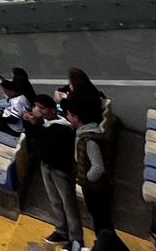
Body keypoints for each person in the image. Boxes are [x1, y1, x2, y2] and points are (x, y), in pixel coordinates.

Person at [23, 95, 81, 247]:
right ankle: (61, 231)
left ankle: (76, 239)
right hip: (46, 166)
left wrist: (36, 125)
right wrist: (29, 123)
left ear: (52, 110)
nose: (38, 111)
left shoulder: (62, 128)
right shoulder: (44, 124)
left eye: (42, 108)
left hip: (61, 169)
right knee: (55, 201)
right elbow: (35, 141)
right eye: (36, 107)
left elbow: (49, 148)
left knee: (69, 204)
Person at [67, 99, 112, 237]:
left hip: (94, 188)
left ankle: (106, 242)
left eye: (69, 115)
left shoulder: (90, 140)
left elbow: (98, 168)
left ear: (76, 117)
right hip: (92, 186)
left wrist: (86, 179)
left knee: (101, 221)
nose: (67, 117)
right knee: (100, 219)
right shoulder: (84, 134)